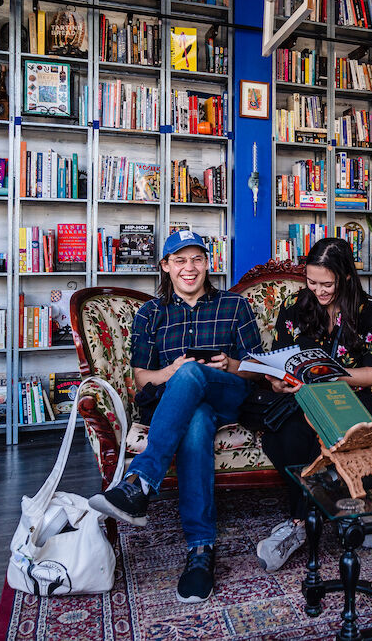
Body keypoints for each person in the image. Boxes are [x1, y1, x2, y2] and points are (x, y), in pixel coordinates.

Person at [88, 230, 264, 604]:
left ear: (207, 263)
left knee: (195, 378)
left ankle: (140, 482)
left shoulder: (235, 306)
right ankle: (201, 551)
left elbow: (256, 369)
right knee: (195, 418)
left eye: (197, 259)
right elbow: (141, 377)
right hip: (179, 402)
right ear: (165, 266)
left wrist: (231, 364)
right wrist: (171, 372)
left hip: (227, 394)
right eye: (180, 260)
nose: (190, 267)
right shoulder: (150, 314)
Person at [256, 237, 372, 573]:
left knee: (352, 431)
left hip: (351, 396)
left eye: (327, 283)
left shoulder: (368, 311)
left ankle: (312, 519)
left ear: (345, 276)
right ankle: (315, 520)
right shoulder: (294, 309)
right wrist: (278, 381)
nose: (319, 290)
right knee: (282, 436)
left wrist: (336, 378)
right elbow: (280, 362)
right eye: (312, 282)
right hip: (302, 398)